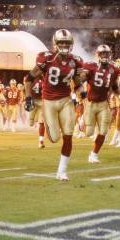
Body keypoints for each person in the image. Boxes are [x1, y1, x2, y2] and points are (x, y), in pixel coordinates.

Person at [24, 29, 83, 181]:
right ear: (55, 43)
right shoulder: (46, 58)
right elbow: (29, 78)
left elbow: (77, 83)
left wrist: (82, 94)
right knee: (55, 138)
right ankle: (50, 130)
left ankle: (62, 171)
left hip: (66, 100)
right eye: (61, 42)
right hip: (49, 101)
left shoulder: (75, 61)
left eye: (67, 43)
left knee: (68, 136)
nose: (64, 45)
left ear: (71, 44)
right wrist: (28, 97)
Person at [82, 44, 120, 163]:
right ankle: (82, 125)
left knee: (104, 131)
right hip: (90, 103)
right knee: (89, 133)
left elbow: (114, 86)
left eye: (106, 54)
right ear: (98, 55)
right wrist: (81, 80)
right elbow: (83, 77)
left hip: (104, 104)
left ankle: (93, 154)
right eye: (102, 54)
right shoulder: (91, 66)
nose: (105, 56)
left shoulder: (113, 69)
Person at [25, 76, 46, 148]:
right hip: (33, 101)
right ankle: (33, 121)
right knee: (31, 123)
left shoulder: (45, 78)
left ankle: (41, 141)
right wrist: (27, 99)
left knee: (41, 122)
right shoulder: (31, 78)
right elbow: (25, 89)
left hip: (42, 101)